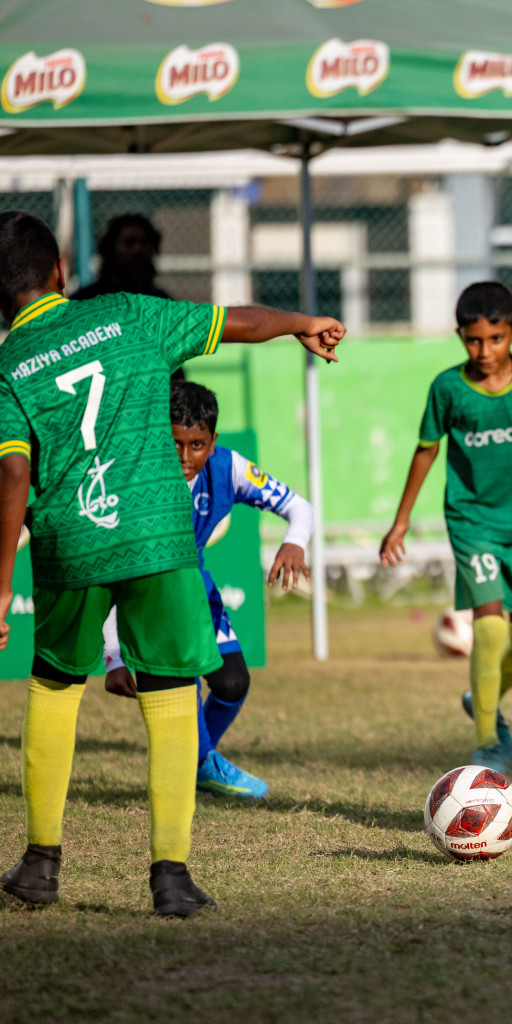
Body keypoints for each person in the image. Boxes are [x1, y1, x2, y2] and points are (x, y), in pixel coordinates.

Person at [0, 210, 344, 916]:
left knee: (56, 688)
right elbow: (235, 320)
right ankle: (172, 878)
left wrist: (1, 584)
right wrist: (300, 323)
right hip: (160, 537)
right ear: (60, 270)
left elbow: (11, 476)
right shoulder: (129, 313)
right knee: (170, 694)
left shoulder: (7, 368)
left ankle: (40, 865)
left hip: (71, 541)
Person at [380, 281, 512, 775]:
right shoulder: (448, 389)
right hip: (472, 521)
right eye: (473, 340)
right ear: (460, 337)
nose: (485, 351)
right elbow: (426, 451)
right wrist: (401, 520)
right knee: (489, 629)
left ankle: (482, 698)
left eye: (495, 339)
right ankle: (489, 742)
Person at [100, 380, 314, 800]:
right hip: (148, 597)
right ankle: (193, 764)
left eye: (196, 445)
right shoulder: (131, 479)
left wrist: (294, 542)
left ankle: (196, 763)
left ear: (212, 442)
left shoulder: (229, 467)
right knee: (182, 686)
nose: (184, 456)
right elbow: (112, 571)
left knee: (232, 683)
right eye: (174, 443)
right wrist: (113, 656)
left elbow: (298, 506)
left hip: (196, 591)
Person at [71, 212, 173, 302]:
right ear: (111, 248)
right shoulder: (86, 301)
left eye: (144, 243)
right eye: (129, 242)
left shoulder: (162, 303)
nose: (137, 250)